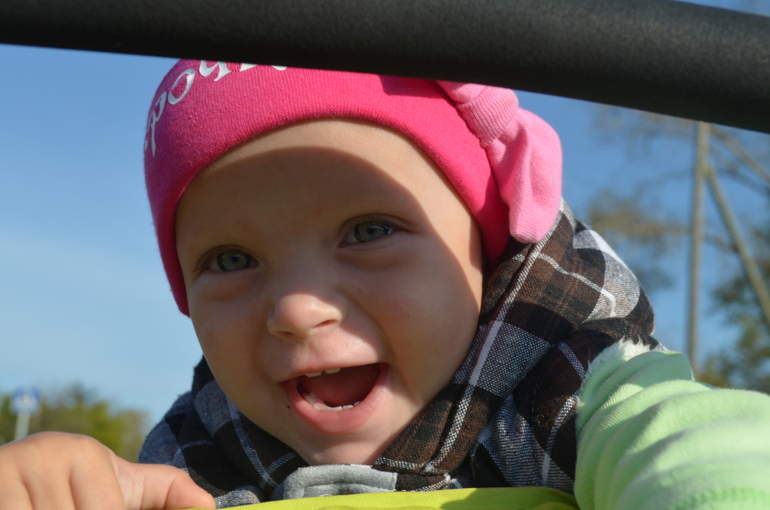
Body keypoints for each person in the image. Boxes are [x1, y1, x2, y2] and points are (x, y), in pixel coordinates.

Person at [1, 60, 769, 510]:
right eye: (231, 260)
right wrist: (65, 486)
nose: (297, 310)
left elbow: (702, 455)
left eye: (368, 231)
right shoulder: (191, 459)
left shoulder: (571, 383)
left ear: (483, 243)